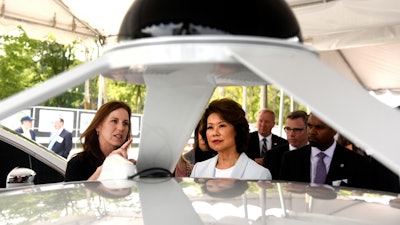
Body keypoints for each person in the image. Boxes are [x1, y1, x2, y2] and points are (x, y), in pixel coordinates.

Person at [280, 113, 372, 189]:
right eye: (309, 126)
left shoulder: (357, 162)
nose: (312, 132)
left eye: (319, 127)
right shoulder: (291, 159)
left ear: (334, 130)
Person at [190, 98, 271, 180]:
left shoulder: (259, 174)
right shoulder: (198, 169)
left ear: (237, 129)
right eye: (210, 127)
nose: (215, 133)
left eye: (221, 126)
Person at [65, 101, 134, 182]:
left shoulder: (126, 165)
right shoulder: (78, 164)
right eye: (114, 121)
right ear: (98, 125)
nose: (121, 128)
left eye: (125, 123)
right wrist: (103, 169)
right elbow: (77, 194)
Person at [263, 110, 309, 179]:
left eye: (297, 130)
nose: (291, 134)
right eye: (288, 129)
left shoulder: (317, 155)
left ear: (308, 129)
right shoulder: (272, 156)